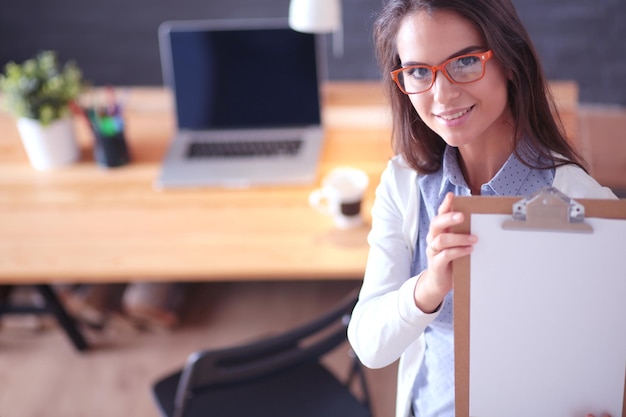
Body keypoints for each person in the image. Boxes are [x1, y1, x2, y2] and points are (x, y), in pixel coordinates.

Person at [346, 1, 618, 417]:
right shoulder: (405, 185)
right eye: (419, 71)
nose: (442, 94)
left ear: (510, 62)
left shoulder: (585, 205)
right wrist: (429, 287)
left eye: (466, 62)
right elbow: (369, 345)